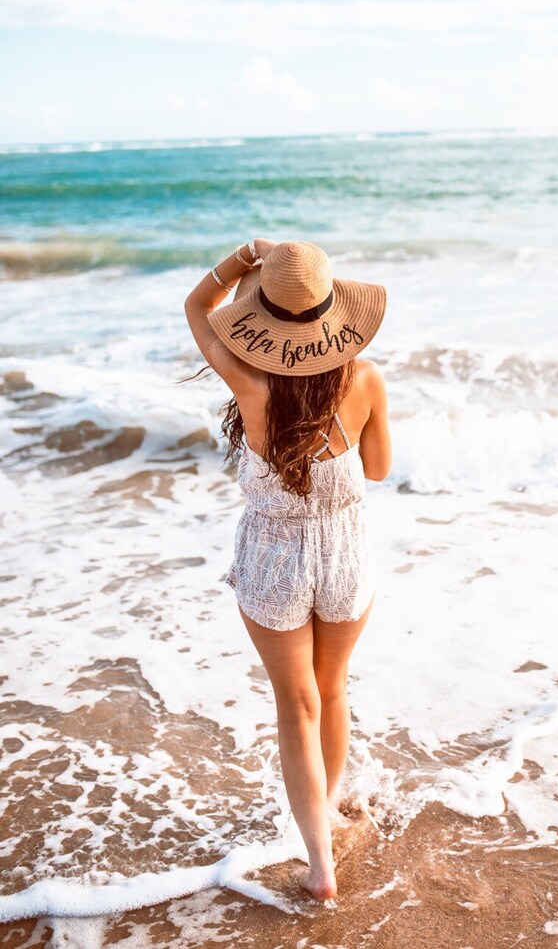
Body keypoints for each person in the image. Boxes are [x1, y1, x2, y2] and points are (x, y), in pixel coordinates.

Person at [184, 238, 391, 900]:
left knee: (295, 702)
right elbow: (381, 468)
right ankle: (326, 812)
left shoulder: (250, 380)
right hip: (345, 553)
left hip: (276, 555)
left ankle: (321, 864)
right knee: (331, 689)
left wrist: (245, 257)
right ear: (335, 315)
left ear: (264, 319)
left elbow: (196, 306)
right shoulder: (364, 378)